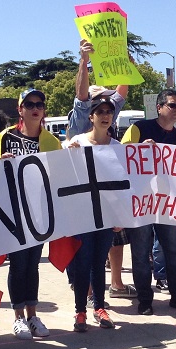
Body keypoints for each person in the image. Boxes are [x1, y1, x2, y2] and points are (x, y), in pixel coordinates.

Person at [0, 89, 61, 338]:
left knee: (33, 266)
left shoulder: (51, 141)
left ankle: (33, 315)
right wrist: (0, 163)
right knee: (18, 266)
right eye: (29, 104)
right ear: (20, 109)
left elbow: (60, 176)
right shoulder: (5, 137)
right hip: (14, 214)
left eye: (39, 104)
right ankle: (18, 317)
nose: (34, 108)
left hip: (39, 214)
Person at [121, 89, 176, 315]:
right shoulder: (139, 129)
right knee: (141, 253)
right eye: (172, 106)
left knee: (173, 252)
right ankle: (145, 299)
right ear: (159, 107)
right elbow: (118, 155)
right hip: (141, 203)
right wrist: (139, 149)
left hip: (168, 206)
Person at [64, 98, 122, 331]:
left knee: (99, 262)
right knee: (82, 262)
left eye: (109, 112)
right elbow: (63, 176)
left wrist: (121, 216)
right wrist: (68, 155)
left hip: (106, 215)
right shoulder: (77, 142)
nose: (105, 116)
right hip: (82, 214)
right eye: (100, 112)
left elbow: (124, 185)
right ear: (91, 117)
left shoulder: (118, 147)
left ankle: (99, 307)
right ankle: (80, 311)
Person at [67, 39, 130, 140]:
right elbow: (82, 96)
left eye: (108, 111)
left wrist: (126, 66)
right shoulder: (81, 117)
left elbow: (120, 96)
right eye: (100, 111)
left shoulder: (109, 113)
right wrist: (84, 60)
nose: (106, 114)